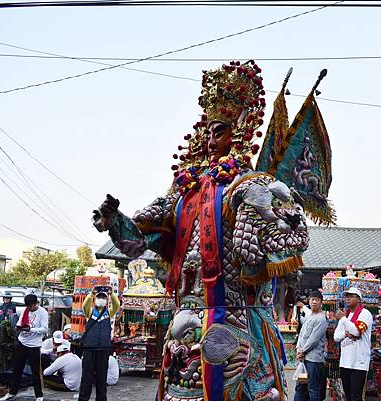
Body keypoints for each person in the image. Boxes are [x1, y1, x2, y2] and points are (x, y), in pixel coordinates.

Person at [92, 60, 322, 401]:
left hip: (236, 316)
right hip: (187, 312)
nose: (210, 140)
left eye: (219, 132)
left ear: (238, 132)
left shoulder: (247, 185)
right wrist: (115, 220)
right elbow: (141, 241)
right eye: (208, 132)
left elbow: (281, 239)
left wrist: (267, 224)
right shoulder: (185, 192)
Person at [0, 294, 49, 401]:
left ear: (36, 304)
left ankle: (39, 395)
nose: (30, 308)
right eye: (28, 306)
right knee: (17, 369)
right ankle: (12, 392)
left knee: (35, 371)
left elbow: (44, 329)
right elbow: (19, 322)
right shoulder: (25, 310)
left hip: (34, 344)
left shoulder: (42, 312)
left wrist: (30, 329)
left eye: (31, 306)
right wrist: (19, 327)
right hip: (22, 342)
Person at [78, 286, 119, 401]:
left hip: (103, 349)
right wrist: (91, 294)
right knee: (87, 377)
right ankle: (83, 399)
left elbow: (116, 305)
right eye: (99, 297)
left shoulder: (109, 313)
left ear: (106, 301)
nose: (101, 299)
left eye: (103, 298)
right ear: (95, 300)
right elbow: (84, 306)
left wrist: (111, 294)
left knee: (102, 378)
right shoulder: (90, 312)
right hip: (89, 349)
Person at [333, 287, 373, 401]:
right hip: (345, 361)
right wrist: (346, 333)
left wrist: (344, 320)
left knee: (356, 396)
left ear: (359, 299)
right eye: (347, 296)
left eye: (351, 296)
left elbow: (356, 331)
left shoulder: (365, 314)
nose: (347, 298)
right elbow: (336, 337)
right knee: (349, 396)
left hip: (359, 362)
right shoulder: (346, 315)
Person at [294, 290, 327, 401]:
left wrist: (302, 351)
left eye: (317, 300)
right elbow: (302, 333)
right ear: (309, 300)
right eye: (312, 299)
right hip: (303, 358)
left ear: (321, 302)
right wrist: (298, 348)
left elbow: (313, 340)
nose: (314, 302)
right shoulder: (309, 316)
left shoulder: (321, 319)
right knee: (300, 387)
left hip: (314, 360)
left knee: (313, 389)